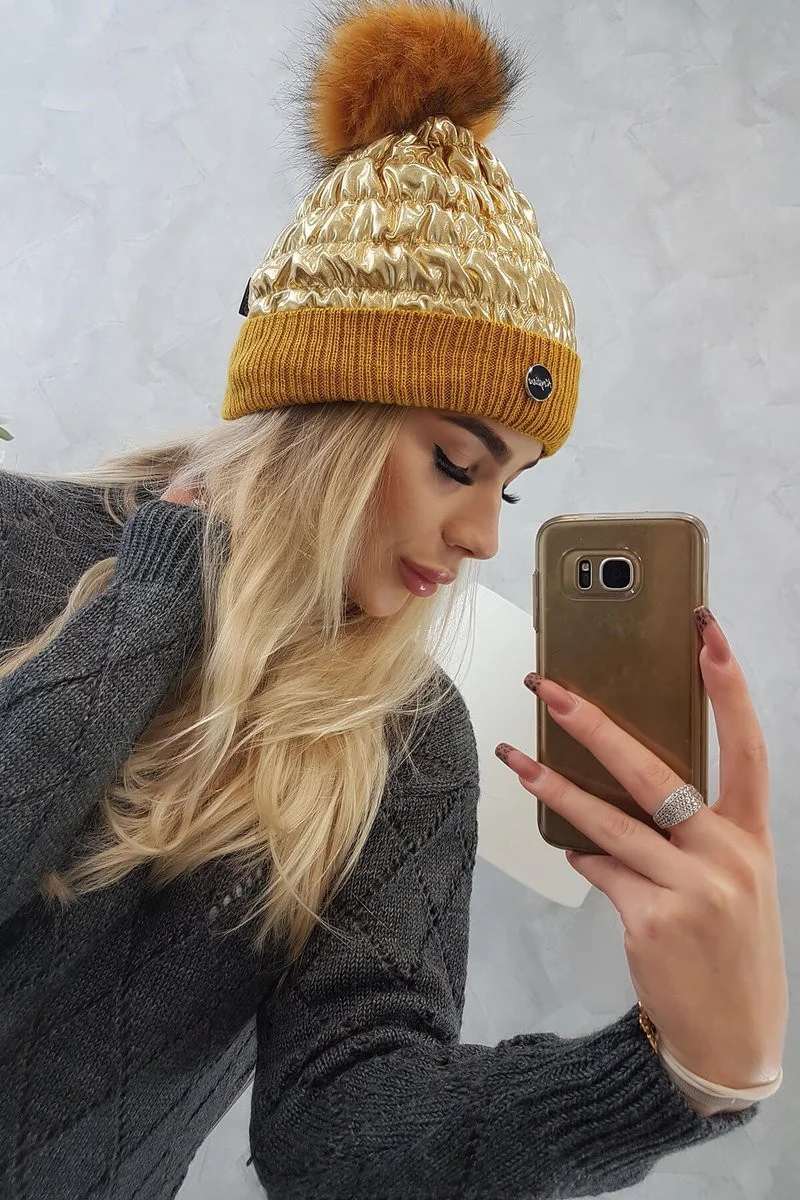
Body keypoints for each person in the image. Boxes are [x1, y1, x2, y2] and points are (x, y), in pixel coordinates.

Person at [0, 2, 787, 1198]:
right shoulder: (22, 541)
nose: (480, 536)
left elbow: (336, 1134)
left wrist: (674, 1074)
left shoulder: (407, 742)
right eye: (455, 463)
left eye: (508, 490)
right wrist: (155, 600)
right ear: (326, 410)